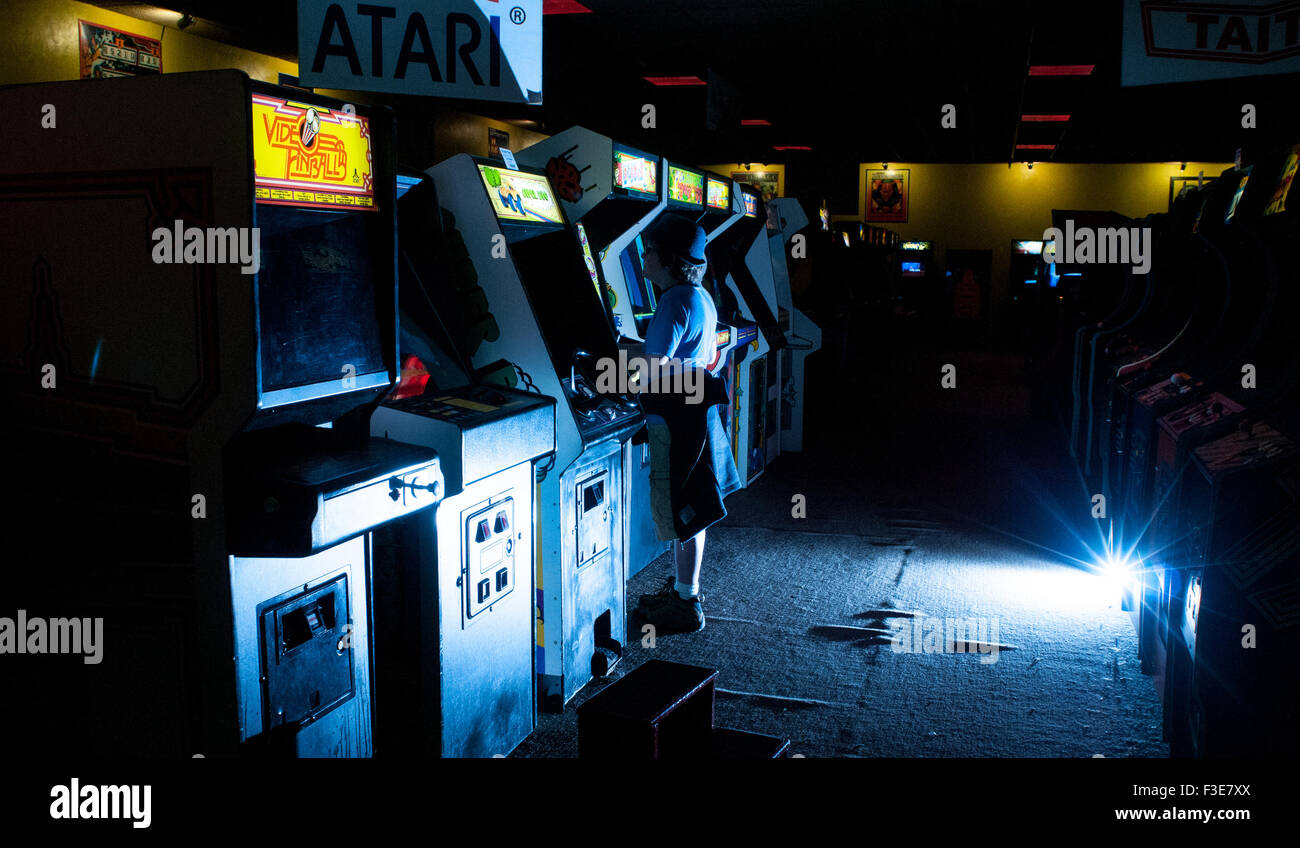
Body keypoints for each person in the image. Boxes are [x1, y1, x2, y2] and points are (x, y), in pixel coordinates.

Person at [634, 213, 741, 633]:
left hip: (675, 415)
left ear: (668, 259)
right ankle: (684, 590)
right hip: (695, 412)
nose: (644, 256)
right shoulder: (699, 296)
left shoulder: (674, 300)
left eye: (650, 250)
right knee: (692, 507)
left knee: (682, 509)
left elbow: (650, 368)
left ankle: (686, 604)